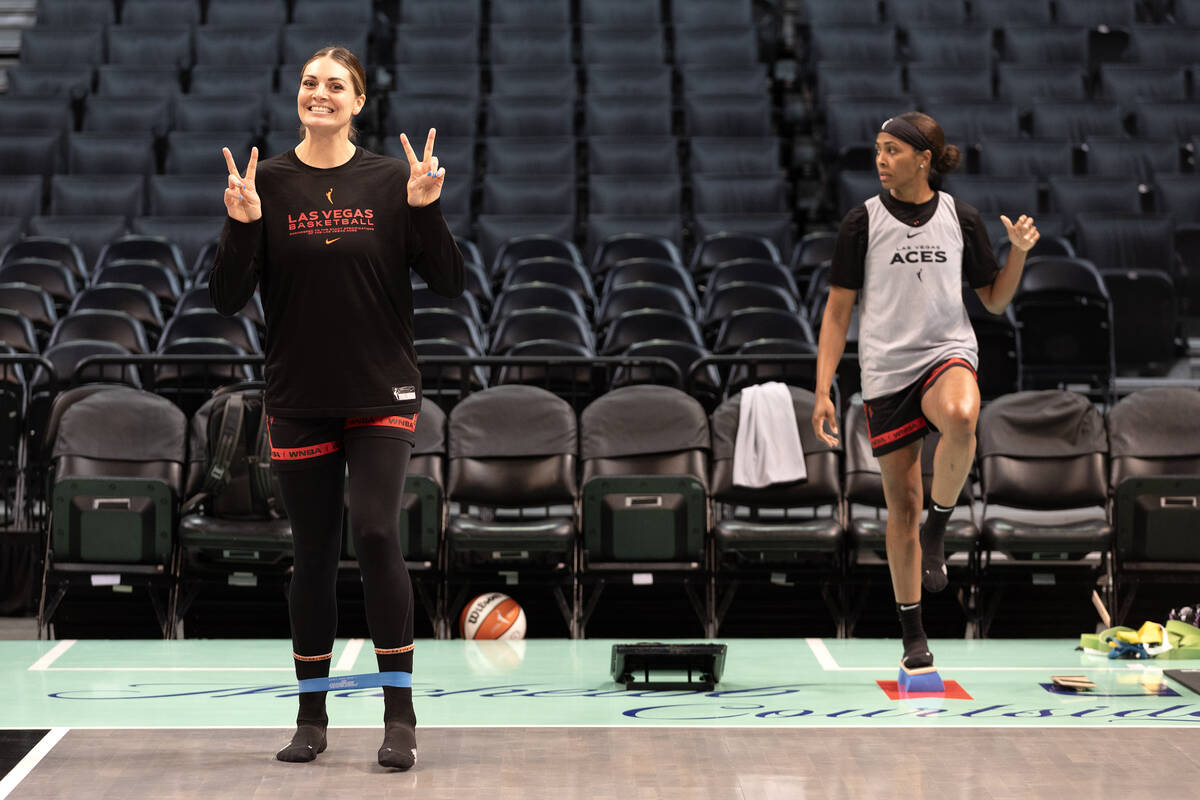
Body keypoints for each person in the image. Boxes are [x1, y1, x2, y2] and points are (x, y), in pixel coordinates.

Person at [209, 46, 464, 769]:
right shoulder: (270, 183)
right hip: (300, 397)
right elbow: (225, 296)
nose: (319, 93)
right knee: (313, 556)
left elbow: (449, 280)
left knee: (378, 532)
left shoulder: (391, 179)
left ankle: (400, 715)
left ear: (357, 103)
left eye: (335, 86)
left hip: (381, 390)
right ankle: (311, 717)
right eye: (310, 83)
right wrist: (242, 223)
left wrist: (427, 210)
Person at [811, 111, 1038, 671]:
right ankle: (913, 635)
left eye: (892, 150)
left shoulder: (962, 218)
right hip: (886, 371)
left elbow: (994, 301)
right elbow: (838, 312)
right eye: (878, 151)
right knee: (901, 507)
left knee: (962, 416)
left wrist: (1019, 254)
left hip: (946, 353)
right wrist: (821, 391)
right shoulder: (859, 222)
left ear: (924, 158)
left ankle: (941, 524)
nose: (881, 161)